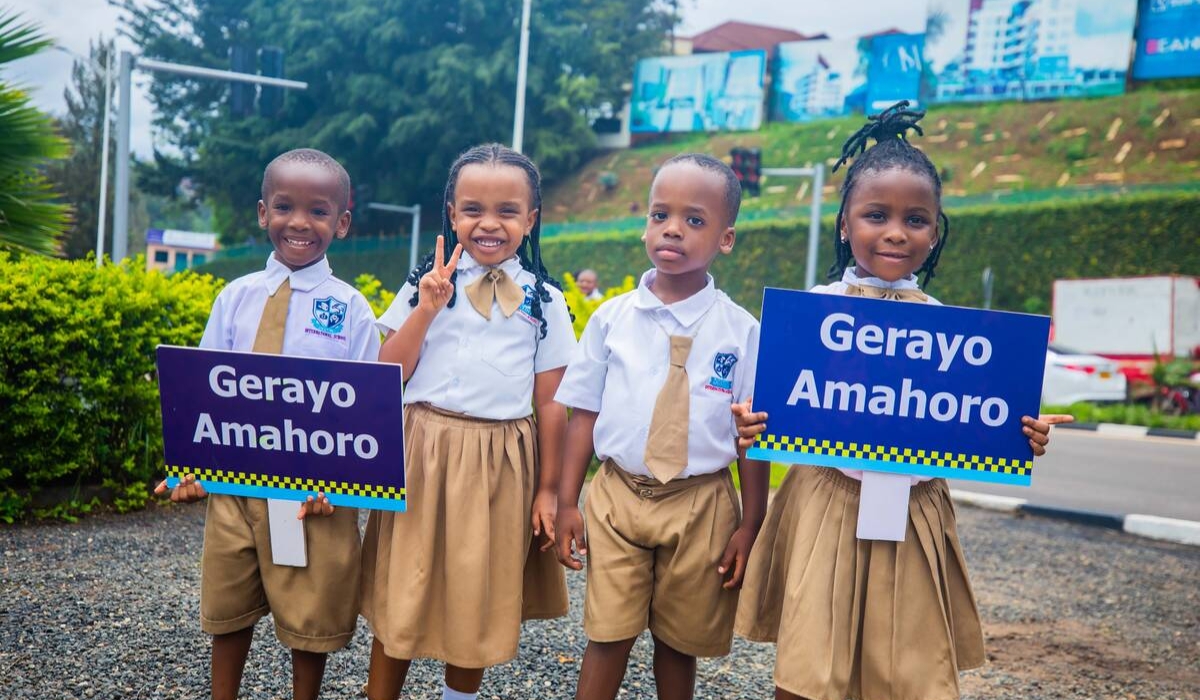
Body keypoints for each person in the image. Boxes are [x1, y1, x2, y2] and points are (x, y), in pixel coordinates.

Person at [730, 102, 1073, 700]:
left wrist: (1023, 433)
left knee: (905, 672)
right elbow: (772, 404)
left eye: (916, 219)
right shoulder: (810, 313)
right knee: (810, 665)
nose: (895, 231)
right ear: (844, 224)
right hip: (826, 500)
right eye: (875, 215)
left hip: (915, 512)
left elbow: (981, 418)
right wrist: (754, 421)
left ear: (935, 232)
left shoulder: (954, 334)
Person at [155, 148, 380, 700]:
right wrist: (191, 471)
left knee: (310, 616)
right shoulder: (235, 299)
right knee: (229, 609)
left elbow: (364, 415)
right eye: (284, 206)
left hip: (311, 495)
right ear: (262, 213)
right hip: (234, 490)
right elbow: (207, 396)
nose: (299, 222)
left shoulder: (351, 310)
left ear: (342, 223)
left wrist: (341, 484)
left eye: (319, 211)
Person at [361, 143, 574, 700]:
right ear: (451, 214)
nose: (489, 223)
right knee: (403, 588)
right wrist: (427, 308)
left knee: (477, 592)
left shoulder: (546, 300)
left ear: (530, 221)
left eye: (507, 211)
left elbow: (552, 402)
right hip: (423, 450)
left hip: (500, 459)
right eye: (473, 208)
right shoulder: (422, 287)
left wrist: (549, 489)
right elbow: (388, 374)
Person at [554, 153, 770, 700]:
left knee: (680, 641)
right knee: (607, 635)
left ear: (726, 238)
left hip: (701, 503)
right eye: (659, 215)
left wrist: (752, 522)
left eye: (695, 220)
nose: (672, 228)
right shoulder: (611, 319)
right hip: (618, 496)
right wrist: (565, 502)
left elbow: (753, 438)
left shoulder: (742, 332)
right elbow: (584, 415)